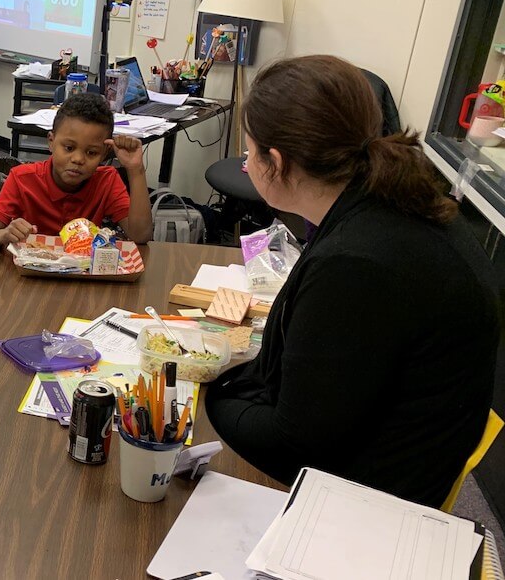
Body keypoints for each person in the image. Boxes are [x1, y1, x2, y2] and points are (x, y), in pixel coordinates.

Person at [205, 55, 499, 507]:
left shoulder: (359, 264)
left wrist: (210, 397)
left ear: (276, 162)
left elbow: (296, 444)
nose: (247, 164)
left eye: (249, 152)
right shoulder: (393, 200)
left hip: (369, 508)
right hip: (390, 451)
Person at [0, 93, 153, 247]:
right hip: (31, 277)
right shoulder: (22, 179)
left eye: (91, 152)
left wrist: (136, 170)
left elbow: (140, 236)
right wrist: (4, 234)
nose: (78, 159)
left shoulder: (107, 180)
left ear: (104, 153)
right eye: (69, 148)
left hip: (83, 276)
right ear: (51, 141)